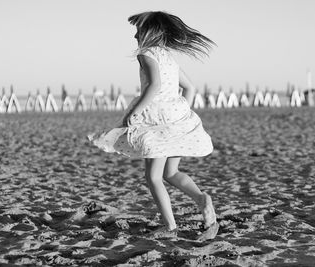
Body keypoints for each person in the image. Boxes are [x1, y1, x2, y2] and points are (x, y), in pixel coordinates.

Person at [88, 11, 218, 238]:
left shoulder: (146, 54)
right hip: (177, 118)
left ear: (149, 32)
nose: (135, 36)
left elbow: (154, 86)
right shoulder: (168, 57)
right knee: (171, 172)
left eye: (138, 30)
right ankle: (201, 198)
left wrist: (135, 112)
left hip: (157, 121)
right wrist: (179, 113)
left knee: (153, 177)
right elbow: (190, 88)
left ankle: (170, 227)